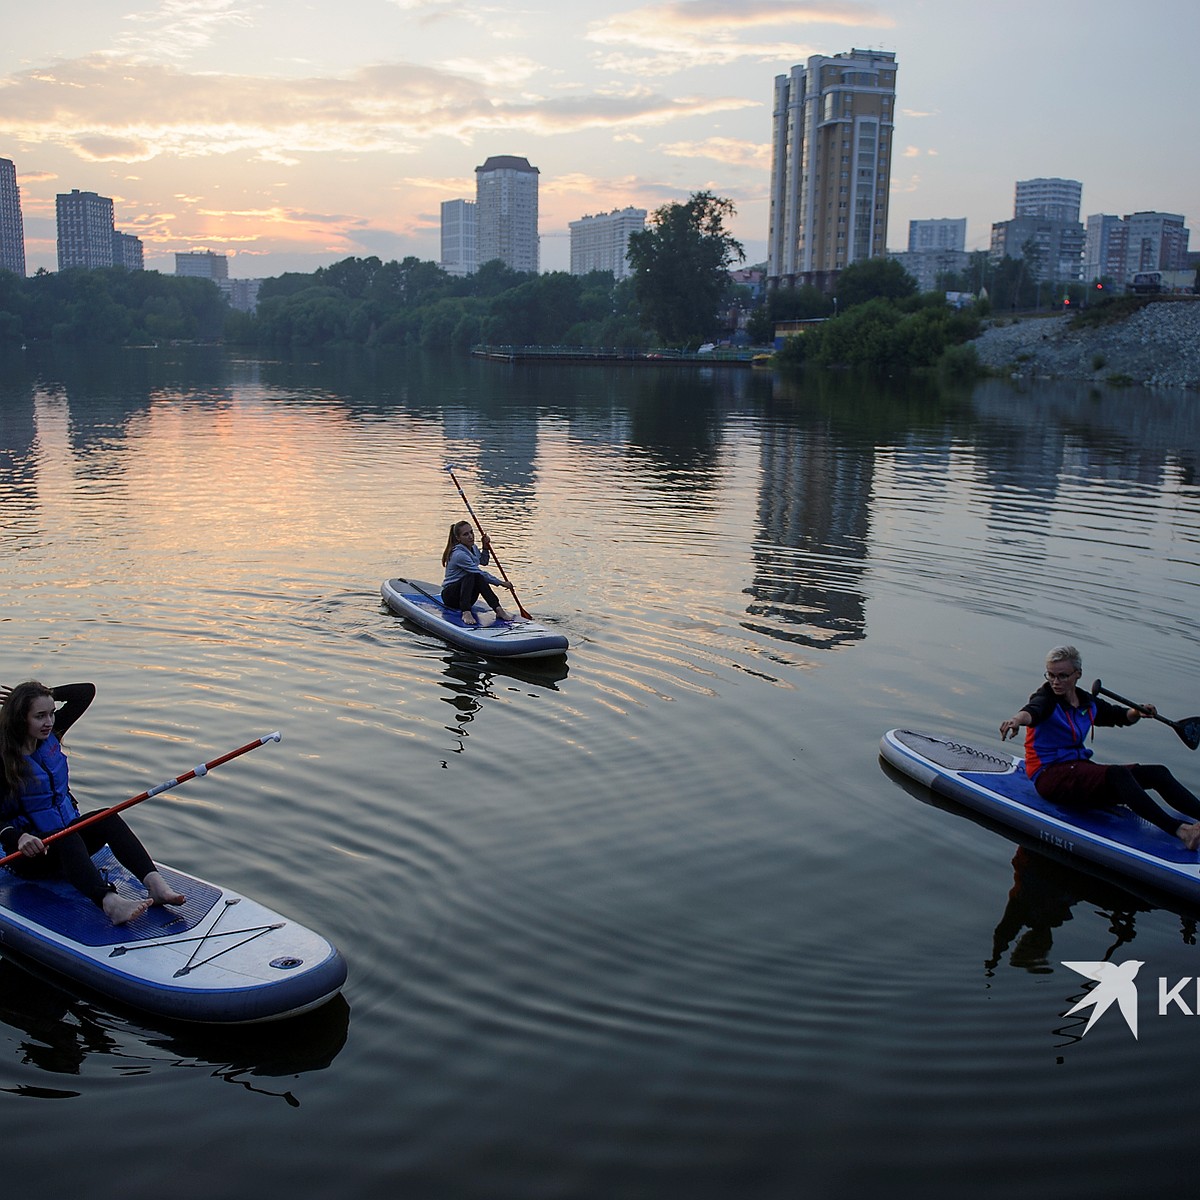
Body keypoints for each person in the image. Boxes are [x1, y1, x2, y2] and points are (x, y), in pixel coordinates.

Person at [0, 681, 185, 925]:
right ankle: (111, 904)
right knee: (65, 836)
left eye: (52, 713)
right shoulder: (4, 759)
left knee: (105, 816)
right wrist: (18, 838)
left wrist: (43, 695)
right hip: (28, 856)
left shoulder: (51, 737)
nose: (49, 722)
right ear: (20, 718)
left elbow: (85, 692)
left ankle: (155, 885)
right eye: (40, 716)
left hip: (67, 844)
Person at [999, 645, 1200, 851]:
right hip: (1050, 776)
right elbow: (1031, 711)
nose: (1055, 682)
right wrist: (1015, 721)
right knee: (1118, 775)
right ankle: (1182, 832)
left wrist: (1137, 712)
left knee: (1158, 773)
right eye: (1050, 675)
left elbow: (1116, 716)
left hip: (1077, 770)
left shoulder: (1086, 702)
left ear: (1078, 675)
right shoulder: (1046, 699)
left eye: (1062, 676)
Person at [440, 519, 515, 625]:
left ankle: (498, 609)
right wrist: (501, 583)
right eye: (465, 534)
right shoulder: (459, 554)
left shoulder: (473, 548)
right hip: (450, 597)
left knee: (477, 577)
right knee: (473, 575)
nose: (470, 536)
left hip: (466, 595)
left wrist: (485, 547)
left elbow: (483, 562)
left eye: (471, 532)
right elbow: (479, 572)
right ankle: (466, 612)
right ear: (458, 538)